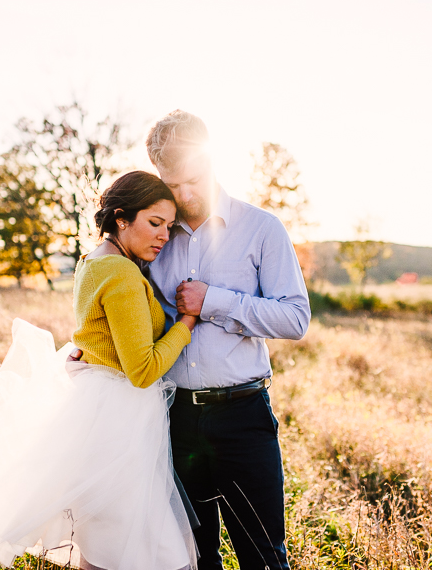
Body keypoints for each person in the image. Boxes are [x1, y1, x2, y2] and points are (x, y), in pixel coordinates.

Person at [0, 170, 199, 570]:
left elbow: (97, 332)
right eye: (154, 223)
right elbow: (142, 370)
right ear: (122, 219)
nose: (163, 236)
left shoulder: (93, 261)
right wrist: (186, 324)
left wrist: (84, 353)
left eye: (169, 226)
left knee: (105, 537)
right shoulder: (123, 273)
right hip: (119, 423)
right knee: (146, 546)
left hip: (97, 412)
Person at [144, 111, 311, 570]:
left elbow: (296, 318)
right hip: (175, 421)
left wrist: (214, 300)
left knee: (263, 558)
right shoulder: (155, 239)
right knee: (194, 560)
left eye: (192, 180)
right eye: (171, 184)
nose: (184, 195)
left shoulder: (262, 229)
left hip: (243, 418)